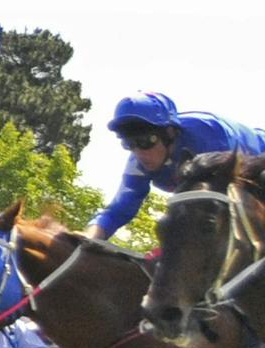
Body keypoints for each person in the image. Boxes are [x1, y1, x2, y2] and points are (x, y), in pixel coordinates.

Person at [89, 91, 265, 242]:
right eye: (128, 144)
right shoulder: (138, 162)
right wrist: (89, 235)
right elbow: (119, 208)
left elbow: (223, 205)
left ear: (170, 132)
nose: (138, 153)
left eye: (145, 141)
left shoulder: (208, 135)